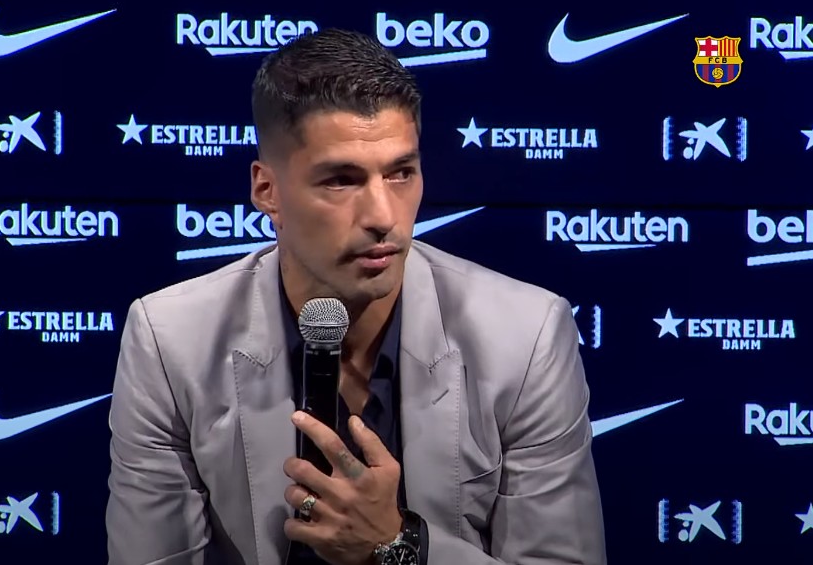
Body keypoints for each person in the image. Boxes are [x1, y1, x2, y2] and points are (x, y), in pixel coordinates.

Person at [105, 28, 607, 565]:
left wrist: (397, 544)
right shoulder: (171, 342)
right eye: (341, 180)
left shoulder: (526, 337)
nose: (382, 217)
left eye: (401, 173)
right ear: (267, 191)